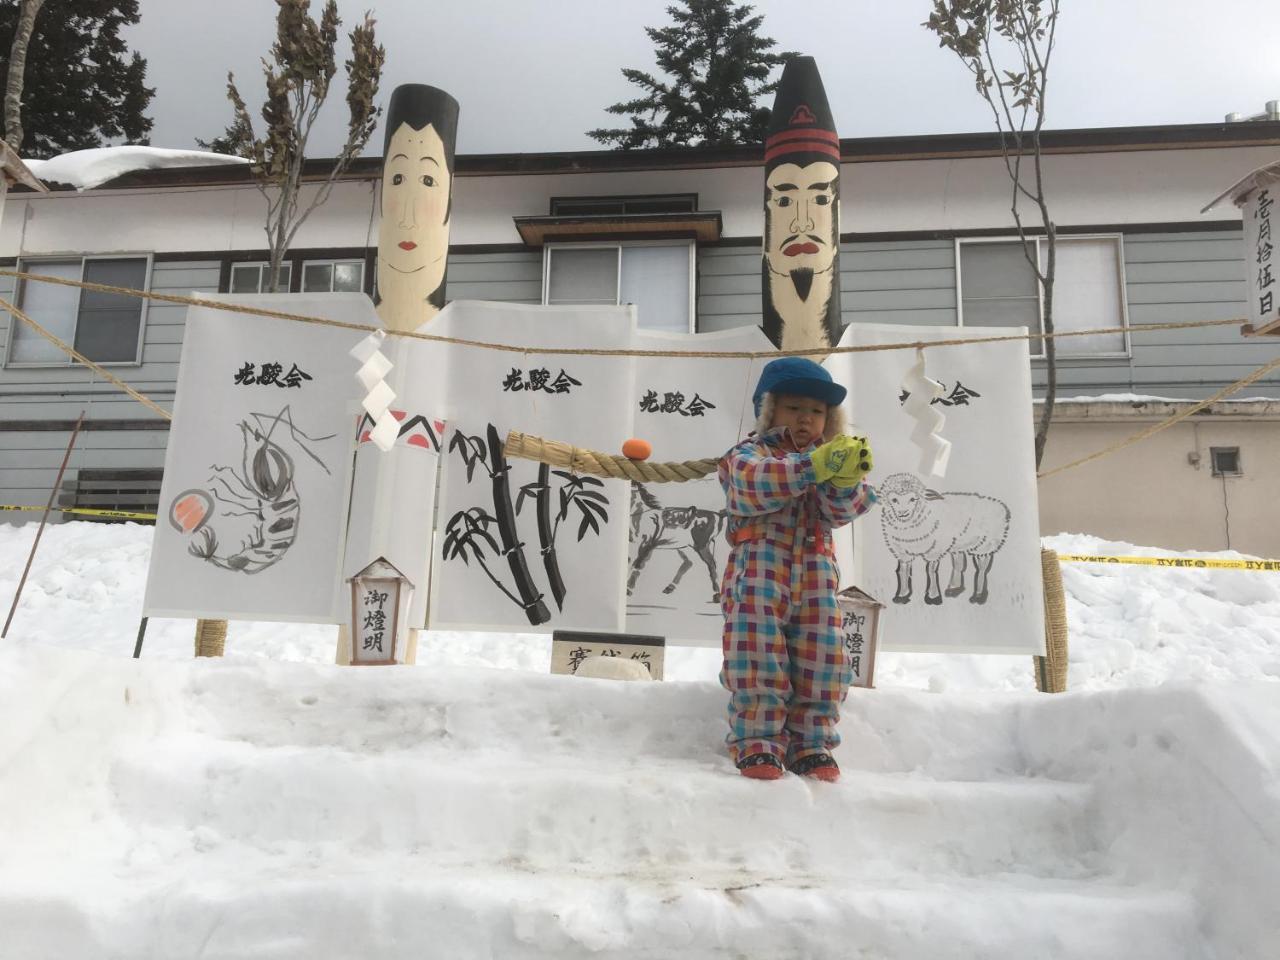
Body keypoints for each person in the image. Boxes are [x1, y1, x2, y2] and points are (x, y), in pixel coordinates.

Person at [718, 357, 876, 782]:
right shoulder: (748, 454)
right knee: (756, 653)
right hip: (758, 571)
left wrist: (844, 481)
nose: (806, 419)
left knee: (823, 657)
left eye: (817, 411)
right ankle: (758, 742)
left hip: (816, 574)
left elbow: (839, 511)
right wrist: (813, 467)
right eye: (793, 408)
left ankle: (811, 744)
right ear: (769, 411)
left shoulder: (831, 460)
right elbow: (755, 483)